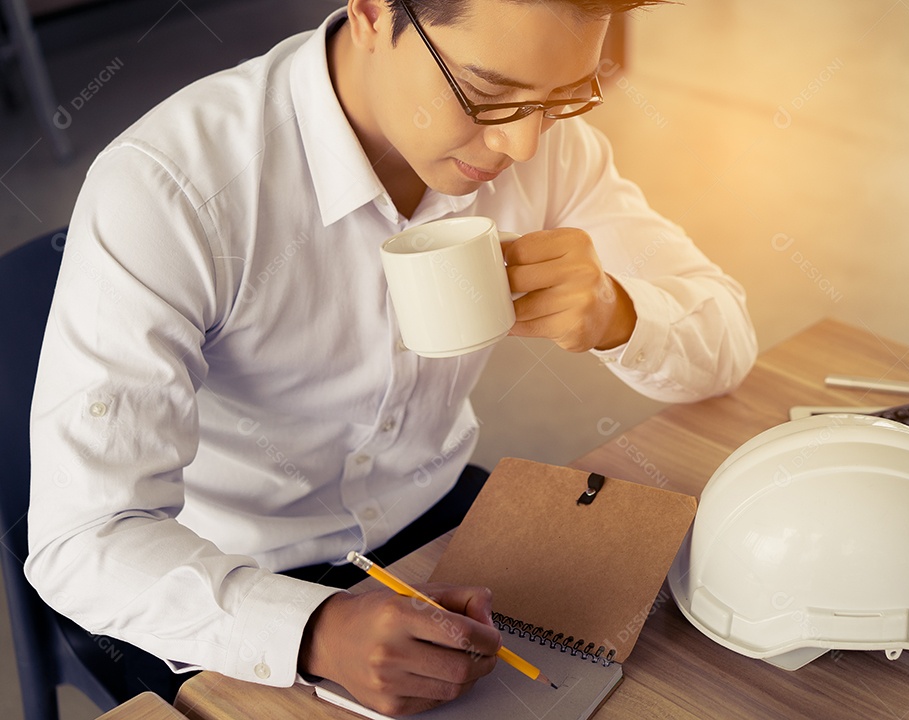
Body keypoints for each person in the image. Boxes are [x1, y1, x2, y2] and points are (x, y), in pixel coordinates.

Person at [25, 0, 757, 715]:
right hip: (222, 576)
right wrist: (313, 629)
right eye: (488, 93)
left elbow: (726, 343)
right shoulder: (173, 188)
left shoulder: (549, 148)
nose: (523, 147)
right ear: (373, 12)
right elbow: (83, 539)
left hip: (440, 517)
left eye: (564, 97)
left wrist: (616, 314)